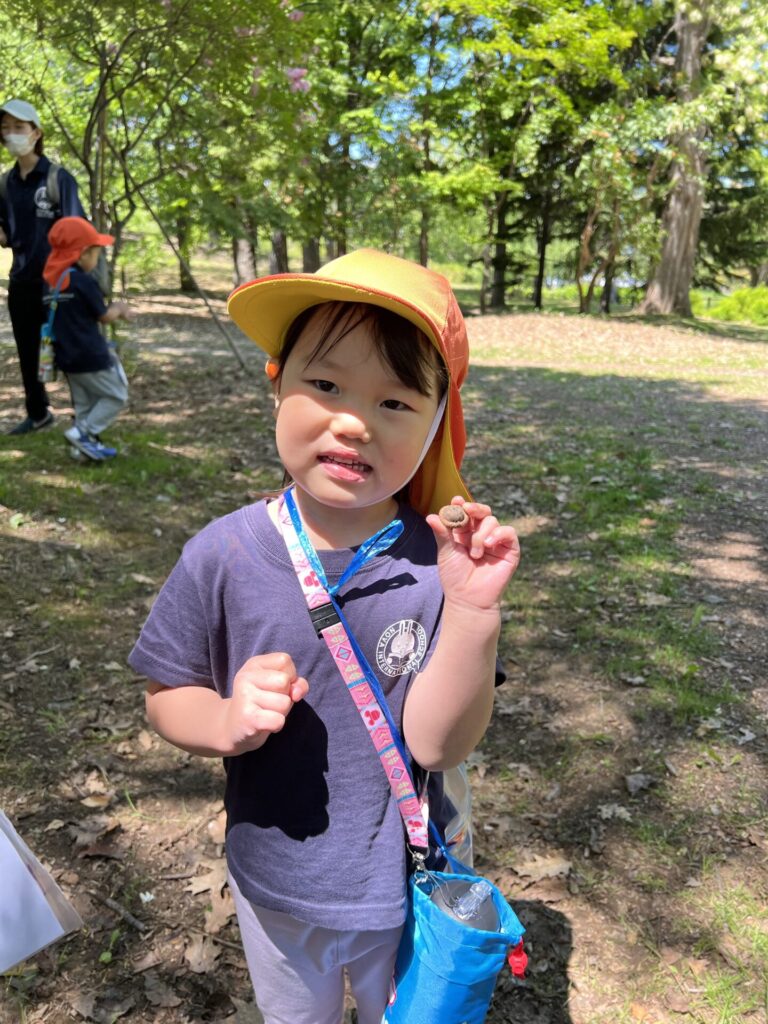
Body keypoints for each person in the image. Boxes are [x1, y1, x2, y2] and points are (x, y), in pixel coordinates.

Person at [128, 249, 521, 1024]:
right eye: (328, 385)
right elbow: (166, 694)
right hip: (275, 884)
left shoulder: (436, 565)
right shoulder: (223, 554)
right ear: (276, 383)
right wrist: (223, 719)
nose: (354, 421)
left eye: (395, 401)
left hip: (401, 885)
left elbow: (438, 745)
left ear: (437, 425)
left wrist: (475, 613)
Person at [0, 98, 86, 435]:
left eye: (18, 127)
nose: (11, 134)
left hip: (59, 282)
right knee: (28, 352)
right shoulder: (5, 183)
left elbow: (78, 231)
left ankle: (85, 418)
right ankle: (38, 414)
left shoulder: (58, 178)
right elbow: (6, 234)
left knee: (69, 350)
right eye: (5, 128)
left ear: (36, 133)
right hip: (22, 280)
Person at [42, 216, 133, 461]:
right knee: (116, 395)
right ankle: (82, 433)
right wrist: (119, 308)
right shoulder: (82, 281)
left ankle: (81, 451)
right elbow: (103, 316)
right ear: (82, 254)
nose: (96, 259)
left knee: (84, 404)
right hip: (91, 354)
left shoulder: (51, 283)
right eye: (95, 254)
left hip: (66, 357)